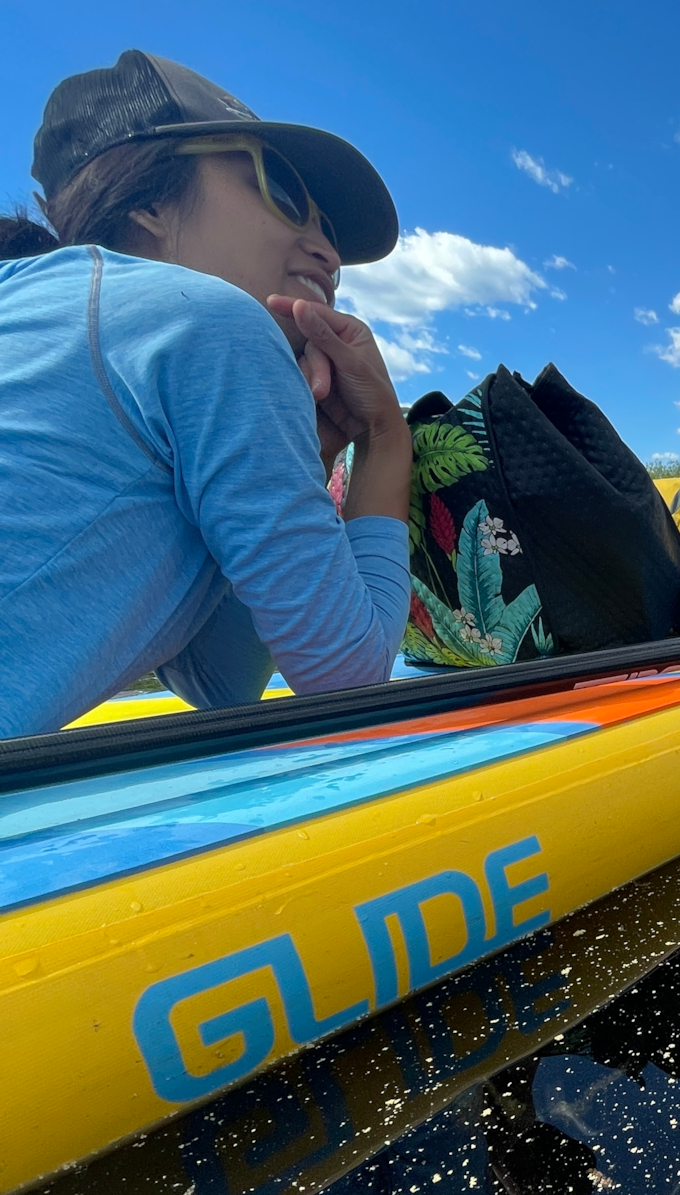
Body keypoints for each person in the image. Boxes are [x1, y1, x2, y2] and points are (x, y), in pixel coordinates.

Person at [0, 49, 412, 738]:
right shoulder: (207, 318)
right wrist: (383, 440)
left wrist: (301, 459)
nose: (329, 255)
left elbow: (218, 682)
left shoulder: (46, 306)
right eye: (284, 192)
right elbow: (351, 683)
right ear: (147, 202)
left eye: (329, 232)